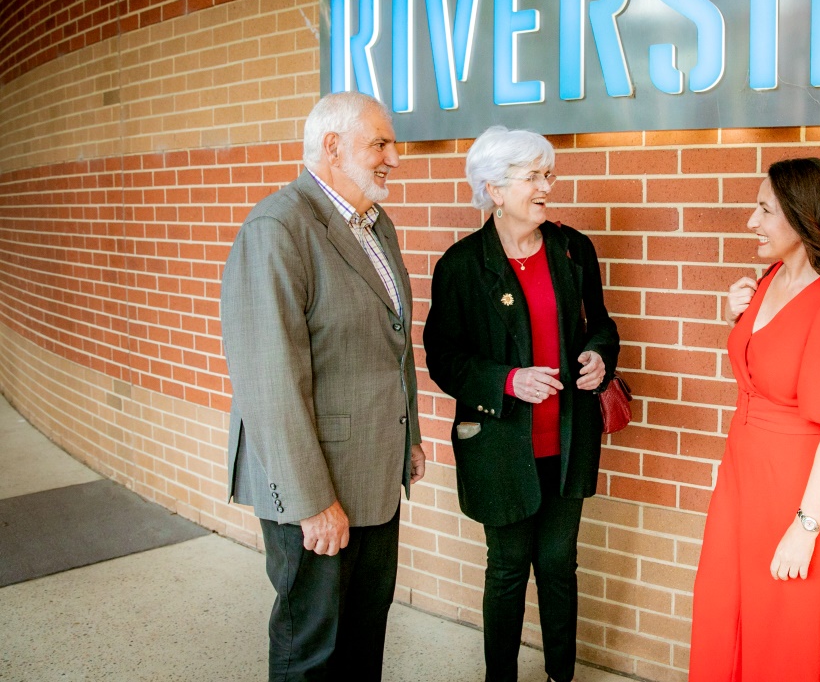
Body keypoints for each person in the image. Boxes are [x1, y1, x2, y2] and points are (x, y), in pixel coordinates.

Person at [221, 91, 426, 681]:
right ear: (332, 147)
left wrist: (407, 434)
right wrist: (312, 502)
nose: (395, 157)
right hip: (314, 486)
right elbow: (269, 381)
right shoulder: (278, 227)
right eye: (380, 143)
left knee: (364, 637)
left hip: (373, 472)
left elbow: (389, 341)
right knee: (311, 647)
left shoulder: (374, 224)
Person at [423, 125, 620, 682]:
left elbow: (601, 324)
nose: (546, 187)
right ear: (494, 188)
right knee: (508, 570)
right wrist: (507, 380)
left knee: (558, 565)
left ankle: (562, 675)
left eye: (547, 174)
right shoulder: (461, 265)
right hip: (500, 444)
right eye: (533, 176)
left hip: (566, 441)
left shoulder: (572, 248)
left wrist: (601, 357)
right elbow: (444, 358)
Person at [689, 157, 820, 682]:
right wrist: (739, 317)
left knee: (786, 634)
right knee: (725, 611)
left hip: (803, 491)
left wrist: (805, 529)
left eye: (764, 210)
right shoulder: (769, 280)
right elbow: (768, 361)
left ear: (803, 219)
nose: (751, 222)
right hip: (742, 479)